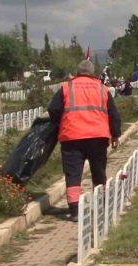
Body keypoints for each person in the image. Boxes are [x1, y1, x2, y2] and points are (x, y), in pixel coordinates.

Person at [47, 60, 122, 222]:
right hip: (98, 136)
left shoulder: (66, 87)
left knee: (73, 173)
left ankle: (74, 211)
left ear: (77, 71)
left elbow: (53, 109)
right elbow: (113, 114)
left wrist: (60, 123)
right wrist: (115, 134)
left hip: (72, 136)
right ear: (93, 72)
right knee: (98, 171)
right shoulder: (102, 89)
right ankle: (100, 205)